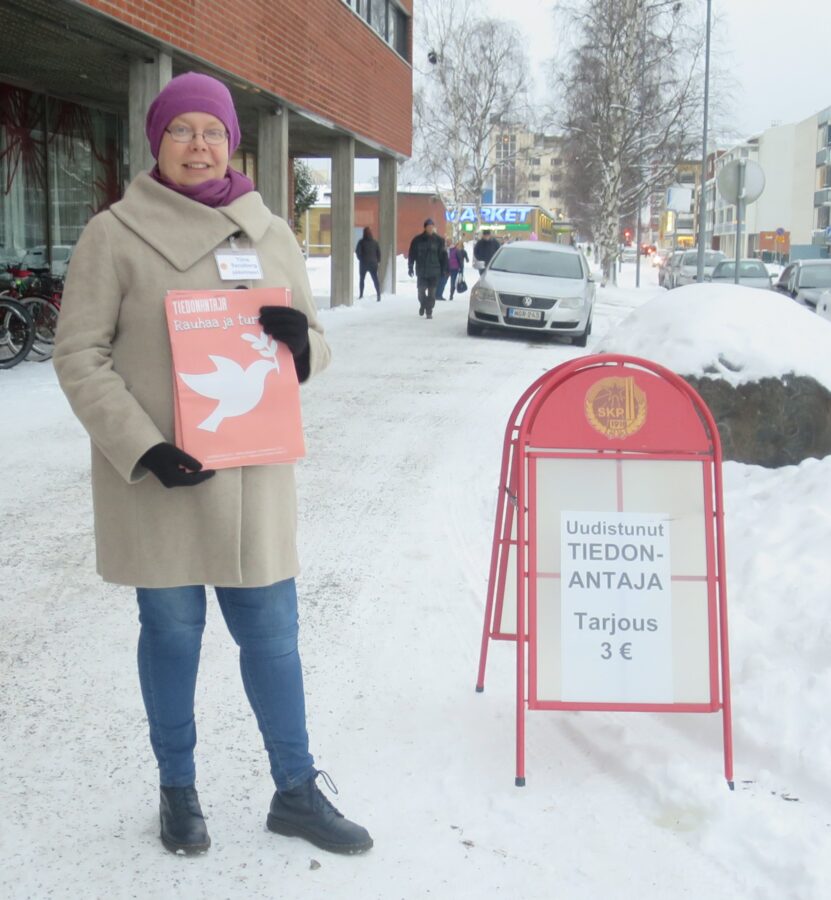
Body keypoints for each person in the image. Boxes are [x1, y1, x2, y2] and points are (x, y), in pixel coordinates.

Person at [52, 72, 372, 858]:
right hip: (161, 481)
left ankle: (295, 792)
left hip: (251, 478)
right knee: (171, 636)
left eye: (213, 131)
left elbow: (315, 342)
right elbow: (79, 355)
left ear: (233, 143)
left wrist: (300, 346)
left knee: (274, 639)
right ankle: (178, 791)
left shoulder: (270, 234)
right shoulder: (114, 234)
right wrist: (143, 447)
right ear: (157, 140)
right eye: (182, 129)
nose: (199, 144)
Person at [407, 218, 447, 319]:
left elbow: (443, 256)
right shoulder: (417, 240)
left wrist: (444, 269)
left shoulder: (439, 240)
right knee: (421, 293)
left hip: (434, 271)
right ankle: (423, 304)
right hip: (421, 271)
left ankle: (429, 311)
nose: (430, 228)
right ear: (425, 227)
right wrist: (410, 266)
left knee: (432, 294)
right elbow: (412, 254)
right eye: (428, 226)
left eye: (432, 226)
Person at [355, 226, 381, 301]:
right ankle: (378, 295)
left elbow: (357, 252)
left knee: (362, 279)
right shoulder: (375, 242)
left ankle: (361, 295)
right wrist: (377, 261)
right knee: (375, 279)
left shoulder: (361, 242)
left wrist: (361, 258)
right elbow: (379, 253)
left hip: (363, 263)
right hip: (373, 263)